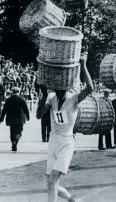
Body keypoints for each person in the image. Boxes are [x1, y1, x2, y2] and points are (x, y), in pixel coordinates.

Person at [37, 54, 93, 202]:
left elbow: (90, 88)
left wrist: (84, 64)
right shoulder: (51, 98)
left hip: (66, 142)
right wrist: (43, 96)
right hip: (53, 141)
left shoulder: (74, 98)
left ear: (66, 86)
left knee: (53, 179)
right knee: (51, 183)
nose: (57, 89)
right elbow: (38, 115)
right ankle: (72, 200)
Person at [0, 87, 30, 152]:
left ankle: (13, 144)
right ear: (18, 92)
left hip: (11, 119)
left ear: (12, 92)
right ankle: (15, 142)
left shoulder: (8, 100)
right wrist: (28, 117)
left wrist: (1, 119)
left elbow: (4, 110)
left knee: (12, 132)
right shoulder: (22, 99)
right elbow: (26, 109)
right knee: (19, 133)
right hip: (20, 119)